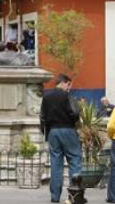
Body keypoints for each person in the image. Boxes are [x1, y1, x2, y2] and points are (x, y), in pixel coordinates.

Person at [40, 74, 81, 203]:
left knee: (56, 164)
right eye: (69, 85)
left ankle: (55, 196)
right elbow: (75, 113)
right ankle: (74, 195)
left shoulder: (46, 97)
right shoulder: (67, 96)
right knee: (74, 160)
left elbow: (42, 117)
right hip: (68, 129)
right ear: (64, 83)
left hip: (53, 132)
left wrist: (46, 133)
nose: (69, 88)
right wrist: (74, 121)